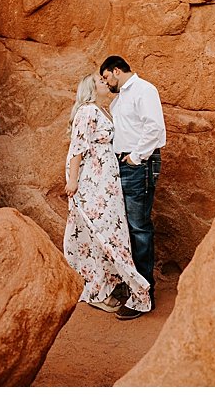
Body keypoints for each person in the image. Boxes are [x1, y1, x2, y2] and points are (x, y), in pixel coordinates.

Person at [63, 73, 151, 315]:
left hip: (105, 181)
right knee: (101, 231)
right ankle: (96, 291)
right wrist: (72, 181)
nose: (106, 82)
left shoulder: (103, 111)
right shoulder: (87, 111)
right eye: (101, 81)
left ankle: (104, 286)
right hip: (93, 181)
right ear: (91, 89)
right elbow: (77, 147)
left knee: (107, 231)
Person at [100, 55, 164, 320]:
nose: (106, 84)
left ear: (117, 71)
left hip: (139, 164)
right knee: (125, 226)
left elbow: (155, 127)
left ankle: (144, 297)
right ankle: (135, 285)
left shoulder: (143, 90)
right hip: (123, 164)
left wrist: (135, 157)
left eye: (106, 78)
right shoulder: (120, 100)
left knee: (138, 227)